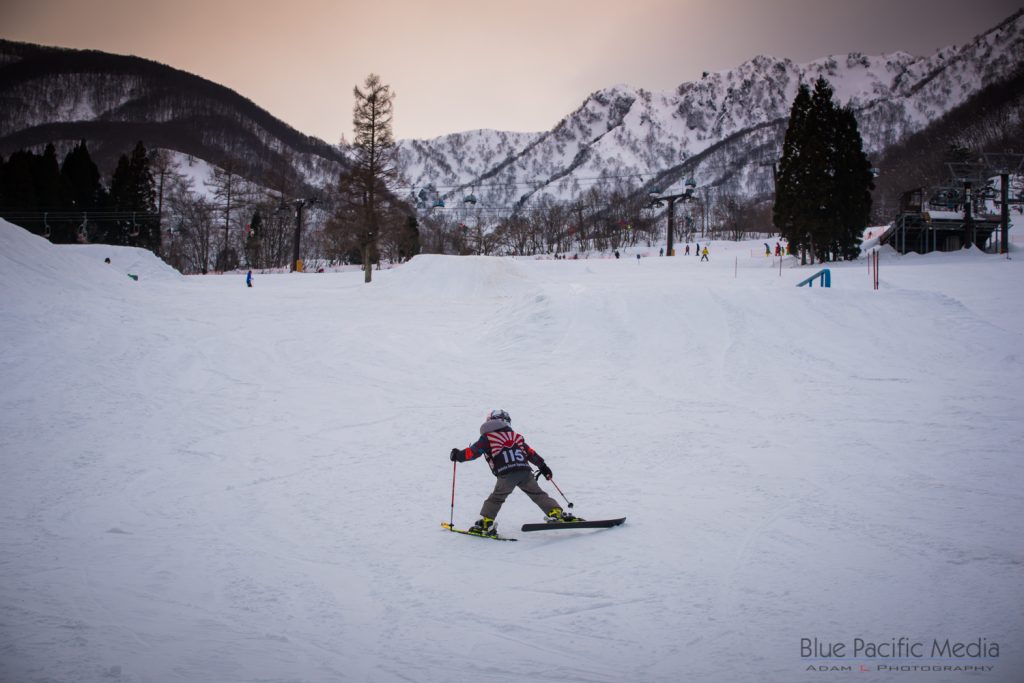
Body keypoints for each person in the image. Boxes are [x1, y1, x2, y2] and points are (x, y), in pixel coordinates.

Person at [450, 409, 576, 536]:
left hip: (507, 473)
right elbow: (530, 453)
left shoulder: (488, 437)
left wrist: (458, 455)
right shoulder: (515, 436)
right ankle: (555, 512)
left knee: (497, 497)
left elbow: (474, 451)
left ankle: (487, 522)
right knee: (537, 493)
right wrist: (543, 466)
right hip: (524, 470)